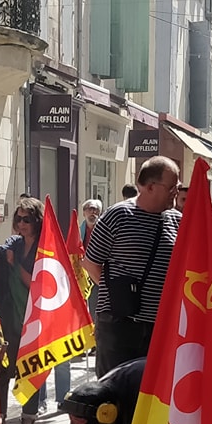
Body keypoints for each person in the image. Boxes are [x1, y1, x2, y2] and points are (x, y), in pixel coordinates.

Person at [83, 155, 181, 375]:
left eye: (177, 186)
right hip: (118, 326)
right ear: (150, 186)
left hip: (160, 328)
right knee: (113, 388)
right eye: (171, 187)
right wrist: (119, 294)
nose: (175, 192)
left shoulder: (177, 221)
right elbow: (91, 262)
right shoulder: (117, 216)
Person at [0, 197, 47, 424]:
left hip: (34, 320)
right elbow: (3, 247)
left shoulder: (45, 248)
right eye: (19, 219)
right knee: (3, 372)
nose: (22, 224)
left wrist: (17, 266)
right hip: (11, 319)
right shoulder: (15, 243)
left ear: (37, 221)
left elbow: (36, 282)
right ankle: (0, 421)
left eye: (27, 219)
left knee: (31, 374)